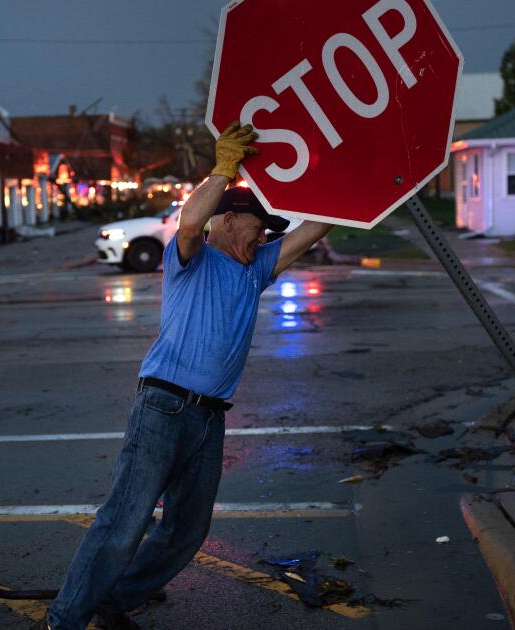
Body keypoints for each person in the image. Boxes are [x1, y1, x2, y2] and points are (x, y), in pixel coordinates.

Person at [38, 122, 333, 630]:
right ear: (229, 219)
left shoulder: (255, 269)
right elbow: (191, 221)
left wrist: (365, 185)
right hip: (164, 406)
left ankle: (114, 600)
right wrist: (224, 168)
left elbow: (315, 229)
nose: (266, 237)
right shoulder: (191, 259)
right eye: (260, 227)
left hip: (210, 419)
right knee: (124, 522)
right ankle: (64, 620)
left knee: (187, 531)